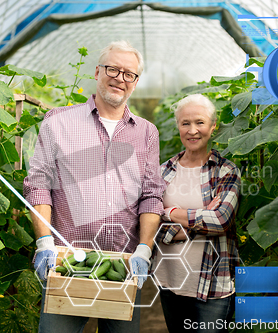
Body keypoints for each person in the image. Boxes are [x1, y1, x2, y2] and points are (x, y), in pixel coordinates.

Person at [23, 40, 165, 333]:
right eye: (113, 69)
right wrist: (44, 242)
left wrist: (144, 249)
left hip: (122, 266)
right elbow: (38, 184)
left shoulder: (146, 133)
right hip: (68, 263)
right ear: (98, 72)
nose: (120, 78)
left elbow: (152, 195)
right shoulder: (58, 121)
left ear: (135, 83)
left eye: (129, 74)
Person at [152, 94, 241, 333]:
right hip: (169, 281)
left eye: (200, 122)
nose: (192, 130)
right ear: (178, 127)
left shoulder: (226, 171)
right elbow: (149, 224)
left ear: (213, 127)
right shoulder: (163, 172)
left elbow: (220, 221)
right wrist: (200, 217)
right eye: (185, 123)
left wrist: (169, 212)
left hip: (214, 285)